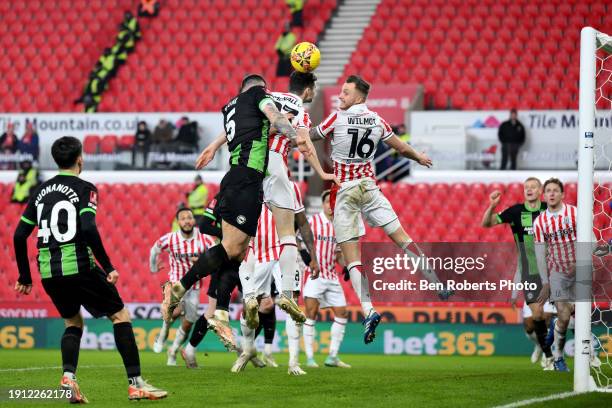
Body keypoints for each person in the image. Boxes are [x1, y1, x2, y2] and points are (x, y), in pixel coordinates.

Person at [12, 136, 167, 402]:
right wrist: (108, 266)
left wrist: (25, 276)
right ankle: (136, 384)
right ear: (79, 159)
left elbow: (18, 235)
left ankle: (69, 378)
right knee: (120, 315)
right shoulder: (86, 188)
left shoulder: (39, 191)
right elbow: (87, 227)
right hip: (80, 266)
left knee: (73, 322)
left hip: (49, 271)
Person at [161, 74, 311, 337]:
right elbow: (275, 118)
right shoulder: (258, 96)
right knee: (232, 248)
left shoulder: (232, 106)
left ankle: (216, 306)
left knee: (237, 249)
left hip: (235, 178)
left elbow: (262, 125)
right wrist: (296, 137)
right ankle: (185, 289)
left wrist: (213, 145)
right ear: (260, 89)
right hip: (247, 180)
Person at [192, 72, 333, 335]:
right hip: (275, 162)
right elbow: (303, 142)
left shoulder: (266, 97)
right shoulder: (299, 109)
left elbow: (239, 124)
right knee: (286, 232)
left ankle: (249, 297)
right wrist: (322, 173)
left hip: (249, 164)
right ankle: (288, 294)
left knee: (247, 240)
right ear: (308, 89)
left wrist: (213, 146)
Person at [309, 75, 440, 344]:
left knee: (352, 257)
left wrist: (292, 130)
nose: (340, 97)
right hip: (369, 187)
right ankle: (434, 278)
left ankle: (369, 310)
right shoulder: (378, 120)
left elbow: (311, 135)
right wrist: (419, 157)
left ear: (358, 97)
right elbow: (401, 148)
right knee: (400, 236)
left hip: (344, 190)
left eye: (345, 93)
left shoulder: (337, 118)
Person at [481, 177, 555, 368]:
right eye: (526, 188)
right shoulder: (515, 211)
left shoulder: (549, 209)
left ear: (540, 191)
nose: (529, 190)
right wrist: (492, 206)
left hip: (553, 270)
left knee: (564, 316)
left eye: (533, 187)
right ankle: (547, 353)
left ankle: (581, 353)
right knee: (536, 316)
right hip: (530, 273)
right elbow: (486, 224)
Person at [149, 207, 215, 365]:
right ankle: (164, 332)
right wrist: (153, 268)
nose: (187, 221)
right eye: (183, 218)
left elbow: (215, 258)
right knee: (173, 310)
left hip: (195, 287)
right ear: (178, 222)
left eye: (189, 217)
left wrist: (202, 261)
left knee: (188, 322)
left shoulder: (205, 238)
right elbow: (154, 250)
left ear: (194, 220)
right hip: (176, 281)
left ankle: (173, 350)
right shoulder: (170, 239)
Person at [303, 190, 351, 369]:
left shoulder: (339, 226)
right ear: (323, 204)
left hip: (332, 276)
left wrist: (346, 265)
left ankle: (332, 356)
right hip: (315, 276)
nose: (330, 206)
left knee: (342, 313)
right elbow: (301, 242)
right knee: (311, 314)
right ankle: (309, 358)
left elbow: (338, 254)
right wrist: (310, 262)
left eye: (333, 203)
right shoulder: (314, 222)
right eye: (327, 203)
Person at [534, 178, 577, 372]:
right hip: (557, 273)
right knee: (565, 315)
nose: (551, 194)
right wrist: (545, 281)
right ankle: (558, 356)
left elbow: (589, 240)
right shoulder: (540, 221)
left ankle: (588, 355)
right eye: (548, 191)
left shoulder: (575, 213)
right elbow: (540, 254)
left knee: (579, 316)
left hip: (580, 270)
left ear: (562, 194)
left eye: (555, 190)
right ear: (544, 196)